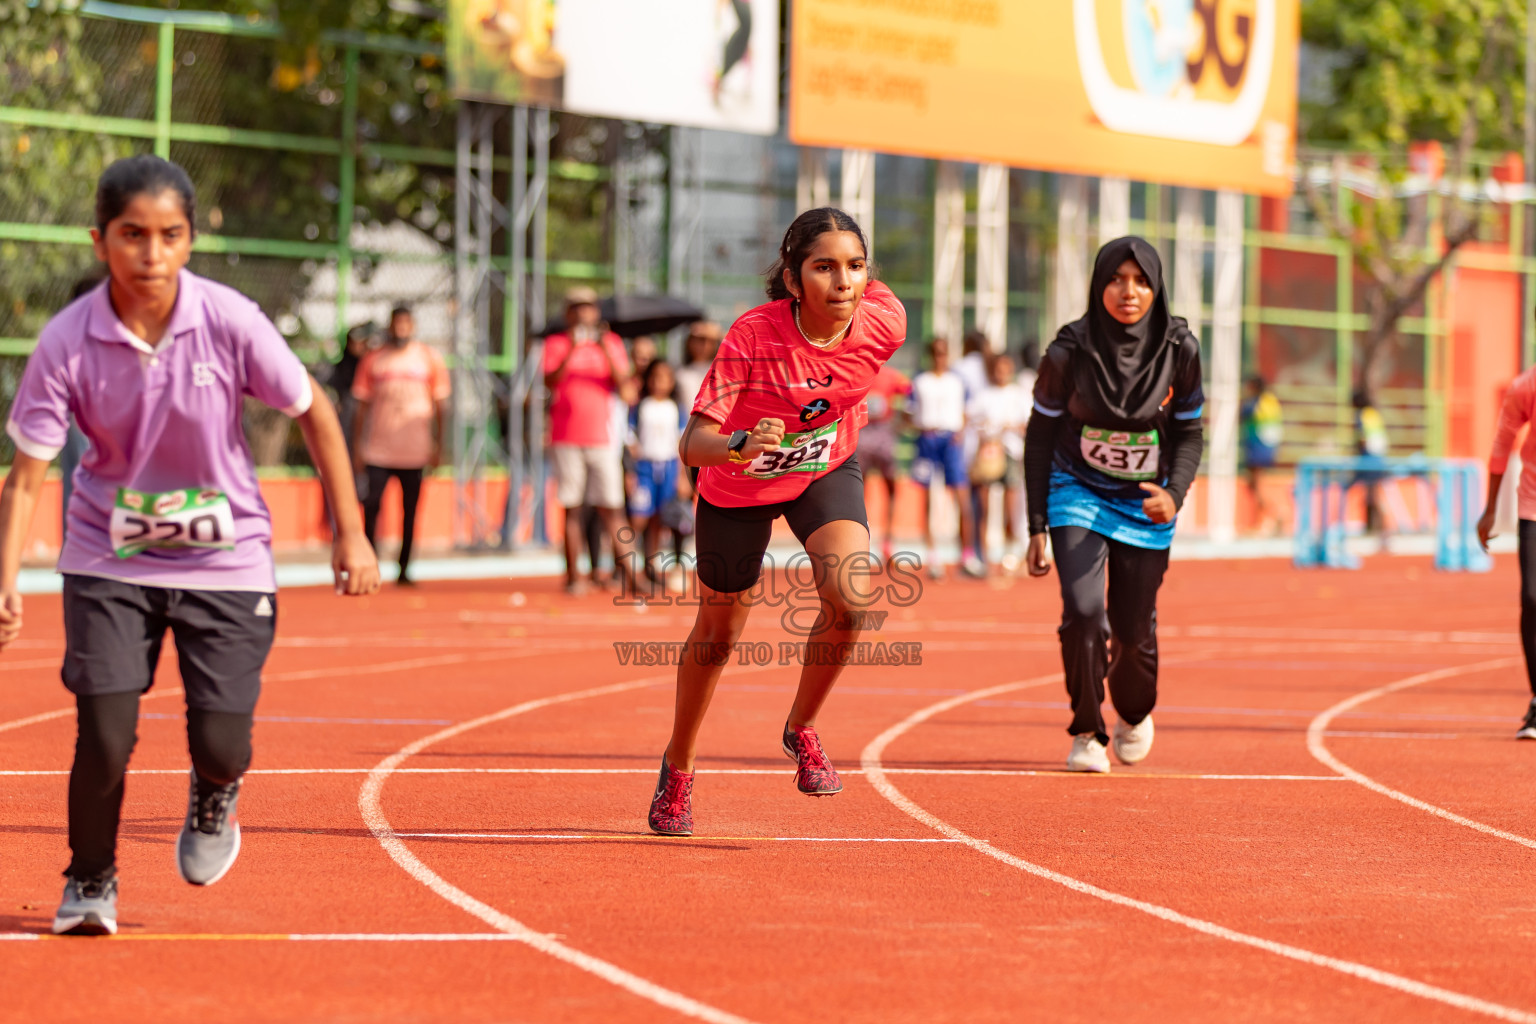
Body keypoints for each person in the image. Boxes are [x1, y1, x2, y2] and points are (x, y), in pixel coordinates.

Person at [0, 155, 380, 937]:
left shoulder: (230, 320)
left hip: (225, 557)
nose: (151, 253)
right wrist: (4, 577)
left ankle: (215, 793)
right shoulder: (67, 342)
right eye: (132, 235)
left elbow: (314, 411)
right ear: (100, 239)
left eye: (170, 235)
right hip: (109, 558)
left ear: (191, 240)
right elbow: (28, 474)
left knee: (222, 740)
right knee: (104, 731)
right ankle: (90, 878)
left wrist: (351, 530)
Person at [649, 207, 905, 836]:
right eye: (823, 268)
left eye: (854, 266)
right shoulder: (754, 335)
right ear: (793, 280)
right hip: (740, 481)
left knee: (851, 596)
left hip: (823, 467)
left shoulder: (883, 322)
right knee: (718, 633)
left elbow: (871, 294)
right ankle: (677, 766)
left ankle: (802, 728)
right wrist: (740, 444)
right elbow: (694, 443)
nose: (842, 281)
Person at [1024, 236, 1204, 774]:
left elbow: (1191, 434)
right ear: (1099, 284)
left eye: (1141, 280)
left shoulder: (1179, 349)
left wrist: (1173, 496)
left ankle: (1133, 712)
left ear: (1156, 288)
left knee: (1132, 630)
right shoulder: (1068, 351)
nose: (1129, 291)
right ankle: (1085, 730)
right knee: (1083, 613)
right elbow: (1040, 434)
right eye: (1117, 279)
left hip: (1146, 505)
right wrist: (1036, 524)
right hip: (1074, 490)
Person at [542, 287, 638, 595]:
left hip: (602, 437)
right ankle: (573, 576)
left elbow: (624, 384)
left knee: (612, 507)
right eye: (577, 307)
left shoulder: (611, 343)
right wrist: (572, 347)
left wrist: (604, 349)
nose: (584, 313)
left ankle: (632, 575)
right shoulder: (556, 343)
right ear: (568, 313)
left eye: (589, 307)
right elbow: (550, 380)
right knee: (572, 506)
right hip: (566, 436)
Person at [351, 305, 449, 587]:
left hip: (416, 451)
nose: (401, 328)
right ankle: (369, 566)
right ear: (390, 325)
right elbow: (361, 406)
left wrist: (438, 445)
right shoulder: (374, 360)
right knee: (371, 508)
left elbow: (442, 405)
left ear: (413, 326)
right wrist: (358, 446)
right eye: (397, 323)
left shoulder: (429, 358)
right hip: (378, 450)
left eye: (406, 323)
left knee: (410, 512)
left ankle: (405, 568)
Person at [1477, 366, 1536, 739]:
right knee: (1532, 597)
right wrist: (1489, 508)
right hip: (1533, 505)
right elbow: (1502, 444)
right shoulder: (1525, 387)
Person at [907, 337, 982, 579]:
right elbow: (907, 413)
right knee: (929, 498)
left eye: (944, 353)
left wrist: (960, 431)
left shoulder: (958, 381)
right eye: (936, 353)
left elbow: (969, 411)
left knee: (962, 495)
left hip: (951, 441)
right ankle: (933, 557)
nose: (940, 358)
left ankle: (967, 555)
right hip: (928, 440)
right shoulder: (920, 381)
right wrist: (919, 427)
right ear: (930, 355)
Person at [967, 352, 1031, 572]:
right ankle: (983, 558)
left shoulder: (1019, 395)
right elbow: (971, 422)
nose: (1002, 373)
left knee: (1010, 508)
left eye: (1006, 368)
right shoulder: (984, 395)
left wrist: (1009, 426)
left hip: (1012, 454)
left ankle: (1010, 555)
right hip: (988, 455)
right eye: (998, 368)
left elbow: (1028, 426)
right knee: (984, 508)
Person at [628, 359, 686, 583]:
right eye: (654, 378)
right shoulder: (641, 406)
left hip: (668, 467)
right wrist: (631, 472)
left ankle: (651, 566)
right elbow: (631, 440)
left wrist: (681, 476)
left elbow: (680, 442)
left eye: (664, 378)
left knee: (659, 521)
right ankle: (630, 565)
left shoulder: (675, 408)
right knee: (639, 518)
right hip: (645, 468)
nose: (658, 383)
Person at [858, 362, 911, 561]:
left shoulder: (892, 375)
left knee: (891, 488)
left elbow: (912, 393)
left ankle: (888, 541)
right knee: (858, 491)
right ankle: (860, 541)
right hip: (861, 434)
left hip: (884, 434)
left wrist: (901, 420)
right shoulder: (858, 371)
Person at [1239, 375, 1283, 534]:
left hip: (1257, 448)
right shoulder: (1272, 401)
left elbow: (1242, 414)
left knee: (1256, 486)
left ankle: (1268, 518)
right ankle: (1271, 516)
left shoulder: (1256, 402)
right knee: (1254, 486)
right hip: (1268, 449)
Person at [1352, 388, 1390, 535]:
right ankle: (1376, 526)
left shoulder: (1362, 415)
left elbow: (1363, 439)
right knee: (1373, 493)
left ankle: (1376, 526)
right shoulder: (1374, 414)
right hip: (1379, 456)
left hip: (1369, 457)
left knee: (1369, 493)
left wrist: (1356, 456)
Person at [673, 320, 723, 422]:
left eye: (710, 341)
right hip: (687, 428)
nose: (704, 345)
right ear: (689, 342)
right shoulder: (680, 373)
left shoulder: (720, 371)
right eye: (700, 340)